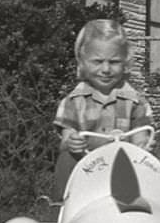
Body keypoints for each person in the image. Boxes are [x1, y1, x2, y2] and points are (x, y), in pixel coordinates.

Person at [51, 19, 154, 200]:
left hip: (124, 169)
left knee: (149, 163)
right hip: (86, 170)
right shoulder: (73, 101)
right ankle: (62, 207)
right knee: (67, 157)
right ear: (82, 61)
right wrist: (71, 142)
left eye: (114, 62)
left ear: (125, 63)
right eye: (97, 61)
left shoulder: (136, 101)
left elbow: (141, 137)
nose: (105, 69)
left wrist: (144, 146)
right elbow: (66, 139)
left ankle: (146, 207)